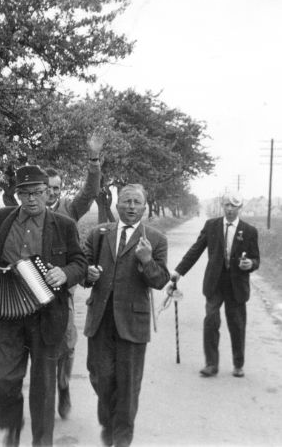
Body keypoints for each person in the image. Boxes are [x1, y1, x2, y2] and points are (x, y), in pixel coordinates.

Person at [0, 165, 87, 447]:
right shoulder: (1, 218)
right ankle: (11, 433)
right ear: (17, 195)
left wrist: (65, 273)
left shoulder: (64, 225)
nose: (31, 199)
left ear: (48, 193)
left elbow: (80, 263)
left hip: (47, 315)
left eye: (37, 192)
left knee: (44, 388)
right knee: (3, 379)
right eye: (24, 193)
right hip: (8, 313)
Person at [83, 184, 169, 447]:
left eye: (136, 202)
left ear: (144, 207)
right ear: (117, 205)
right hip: (100, 320)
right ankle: (110, 425)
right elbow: (82, 270)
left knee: (128, 385)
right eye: (126, 201)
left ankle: (121, 439)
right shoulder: (98, 234)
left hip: (132, 323)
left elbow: (160, 281)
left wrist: (147, 260)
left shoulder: (155, 239)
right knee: (99, 377)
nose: (131, 206)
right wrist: (88, 274)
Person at [44, 132, 104, 419]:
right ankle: (42, 393)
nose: (51, 192)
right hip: (30, 289)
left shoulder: (70, 209)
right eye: (47, 188)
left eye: (56, 188)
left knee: (67, 343)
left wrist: (93, 159)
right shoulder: (26, 211)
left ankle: (63, 384)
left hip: (62, 289)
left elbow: (90, 191)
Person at [169, 192, 260, 378]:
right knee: (211, 320)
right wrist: (178, 272)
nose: (230, 209)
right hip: (214, 283)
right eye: (227, 205)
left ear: (240, 207)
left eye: (234, 206)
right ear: (222, 205)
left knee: (237, 324)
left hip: (237, 285)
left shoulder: (249, 231)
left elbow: (256, 259)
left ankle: (238, 364)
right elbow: (195, 250)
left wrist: (250, 264)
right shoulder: (212, 225)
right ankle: (211, 364)